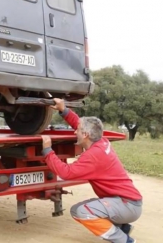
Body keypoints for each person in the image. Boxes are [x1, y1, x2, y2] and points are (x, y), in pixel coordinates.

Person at [41, 98, 142, 243]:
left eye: (78, 130)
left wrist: (47, 150)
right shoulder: (101, 141)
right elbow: (80, 124)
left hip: (127, 205)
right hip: (129, 202)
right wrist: (64, 110)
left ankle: (124, 240)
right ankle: (123, 228)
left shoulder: (93, 156)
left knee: (83, 212)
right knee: (76, 209)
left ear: (86, 135)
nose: (75, 131)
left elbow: (66, 173)